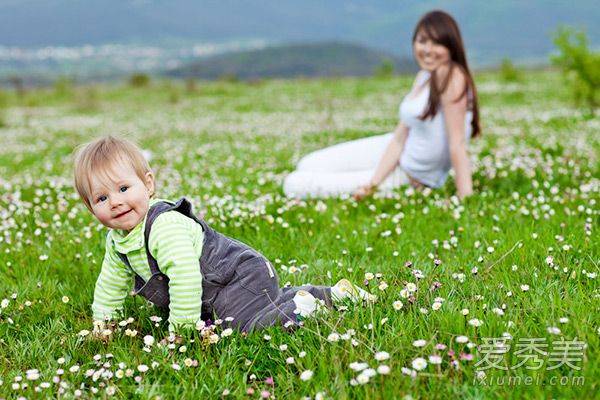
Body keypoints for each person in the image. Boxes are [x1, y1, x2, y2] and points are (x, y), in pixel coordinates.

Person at [73, 136, 374, 333]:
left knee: (246, 326)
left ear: (148, 185)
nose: (115, 202)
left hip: (236, 276)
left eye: (124, 188)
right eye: (101, 198)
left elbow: (186, 278)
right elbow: (110, 284)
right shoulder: (118, 242)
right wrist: (104, 322)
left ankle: (305, 307)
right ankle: (332, 294)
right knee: (241, 315)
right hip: (215, 291)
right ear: (90, 207)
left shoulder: (163, 227)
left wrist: (182, 330)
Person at [283, 10, 480, 200]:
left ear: (451, 46)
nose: (427, 50)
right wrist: (374, 182)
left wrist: (465, 197)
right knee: (308, 163)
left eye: (437, 43)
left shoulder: (452, 78)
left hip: (410, 175)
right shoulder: (424, 77)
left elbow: (458, 144)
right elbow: (399, 138)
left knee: (294, 184)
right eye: (422, 41)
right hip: (391, 149)